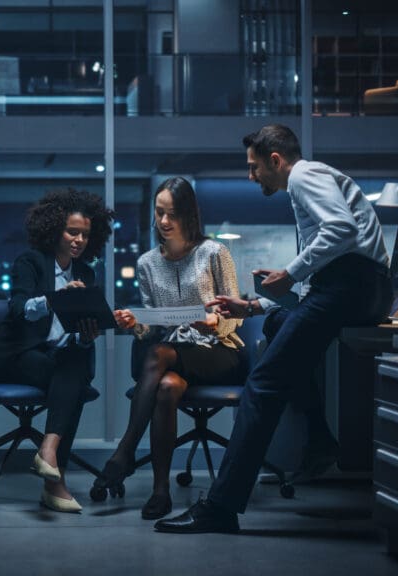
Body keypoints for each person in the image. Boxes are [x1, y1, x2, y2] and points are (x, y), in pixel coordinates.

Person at [155, 124, 392, 533]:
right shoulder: (311, 183)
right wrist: (251, 307)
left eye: (254, 167)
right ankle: (319, 439)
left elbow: (341, 230)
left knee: (262, 386)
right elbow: (312, 289)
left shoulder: (303, 175)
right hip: (358, 289)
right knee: (280, 321)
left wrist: (290, 271)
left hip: (352, 286)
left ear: (276, 160)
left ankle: (220, 507)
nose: (251, 176)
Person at [91, 177, 246, 520]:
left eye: (172, 213)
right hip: (174, 354)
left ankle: (125, 451)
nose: (164, 221)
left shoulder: (215, 252)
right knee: (166, 386)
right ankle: (161, 492)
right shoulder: (147, 263)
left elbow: (236, 315)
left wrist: (215, 323)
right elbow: (154, 325)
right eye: (159, 212)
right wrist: (135, 324)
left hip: (219, 350)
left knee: (158, 354)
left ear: (189, 214)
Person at [0, 188, 115, 513]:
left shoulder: (85, 272)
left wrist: (87, 335)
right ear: (54, 229)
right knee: (73, 381)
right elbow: (19, 308)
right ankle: (55, 481)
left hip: (54, 359)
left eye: (85, 234)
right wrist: (54, 298)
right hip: (13, 355)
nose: (79, 240)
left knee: (75, 364)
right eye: (72, 232)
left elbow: (72, 332)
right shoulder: (31, 262)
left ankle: (48, 451)